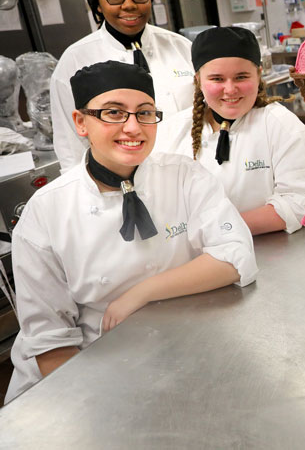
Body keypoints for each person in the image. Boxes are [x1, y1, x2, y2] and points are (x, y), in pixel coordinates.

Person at [5, 61, 258, 403]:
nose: (133, 127)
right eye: (113, 113)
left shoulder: (183, 176)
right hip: (87, 370)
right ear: (81, 122)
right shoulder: (47, 211)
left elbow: (236, 255)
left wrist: (139, 294)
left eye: (144, 113)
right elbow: (51, 343)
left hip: (172, 353)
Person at [155, 26, 305, 235]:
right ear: (198, 80)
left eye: (241, 77)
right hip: (191, 255)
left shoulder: (280, 125)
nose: (230, 89)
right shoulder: (171, 131)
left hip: (268, 253)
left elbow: (301, 201)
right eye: (217, 79)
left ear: (258, 75)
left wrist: (219, 228)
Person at [50, 0, 195, 173]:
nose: (129, 5)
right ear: (97, 3)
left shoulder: (181, 47)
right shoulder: (75, 60)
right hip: (121, 185)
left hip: (188, 176)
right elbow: (69, 146)